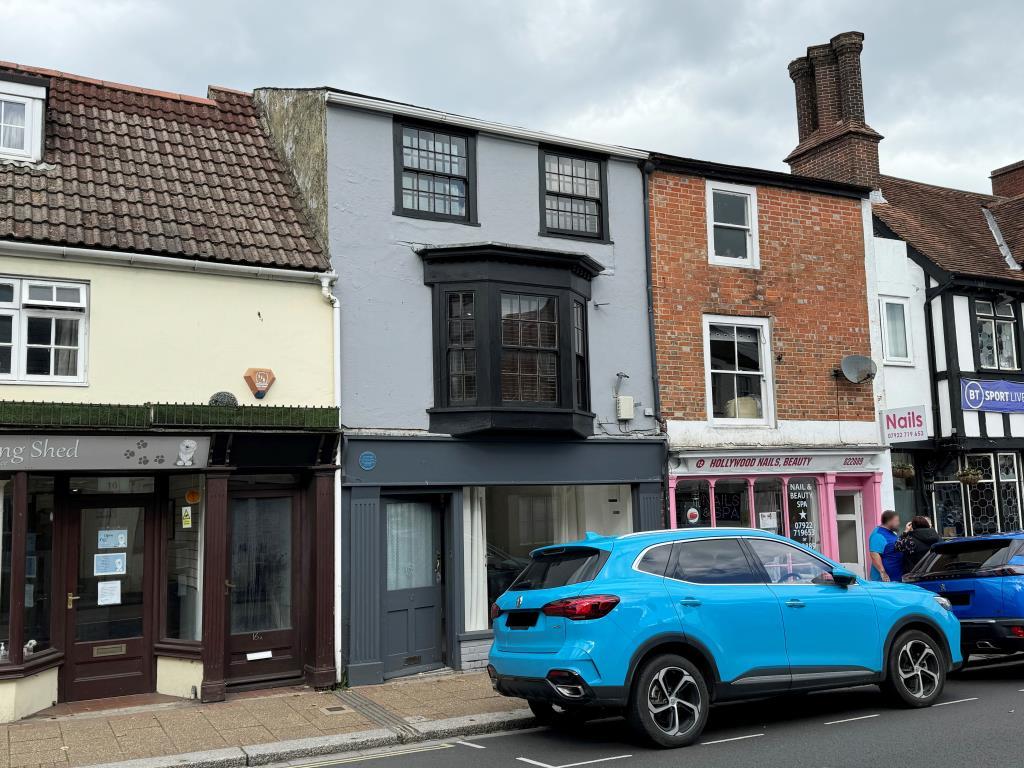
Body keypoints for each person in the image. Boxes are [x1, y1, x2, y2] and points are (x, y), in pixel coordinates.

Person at [869, 510, 903, 582]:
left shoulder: (891, 534)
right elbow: (874, 554)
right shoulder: (878, 534)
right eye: (896, 521)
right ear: (889, 521)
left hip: (895, 579)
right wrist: (883, 572)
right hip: (883, 582)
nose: (898, 523)